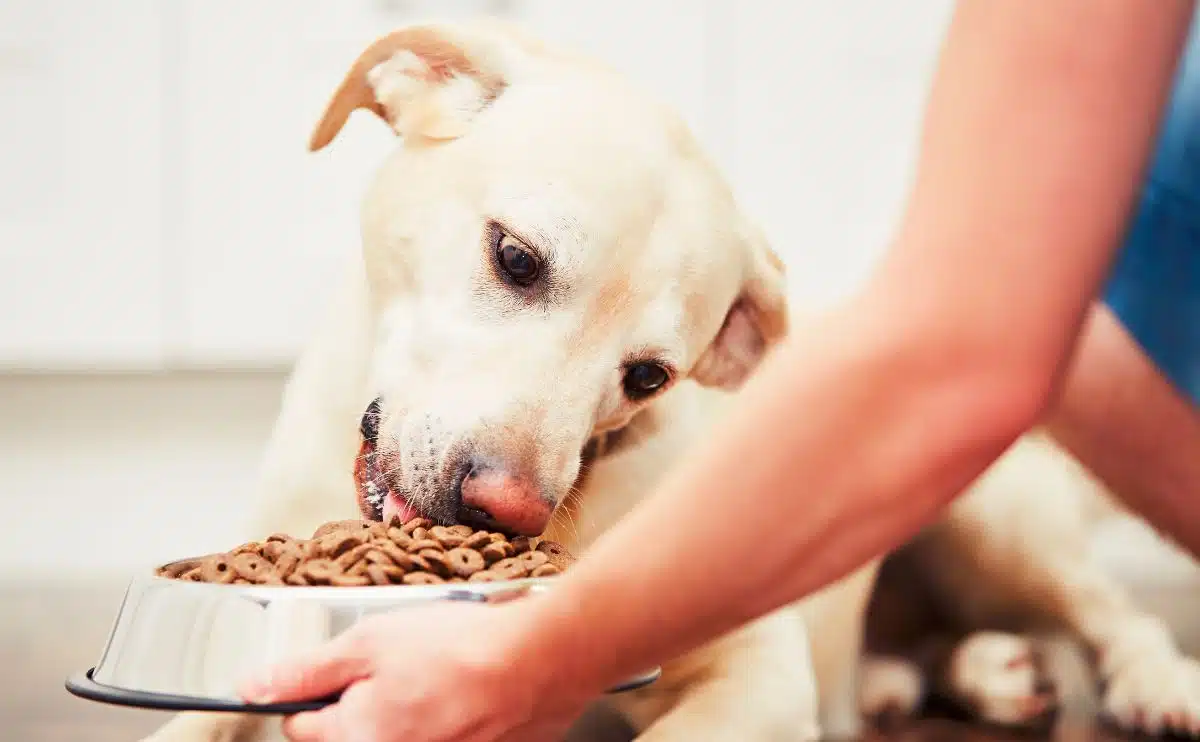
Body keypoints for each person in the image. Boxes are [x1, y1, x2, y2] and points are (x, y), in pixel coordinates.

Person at [239, 2, 1200, 740]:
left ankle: (1119, 638)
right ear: (412, 82)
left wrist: (535, 662)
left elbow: (768, 683)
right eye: (518, 265)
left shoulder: (736, 369)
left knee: (980, 480)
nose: (525, 482)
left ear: (729, 352)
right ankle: (923, 657)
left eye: (646, 375)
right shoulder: (351, 368)